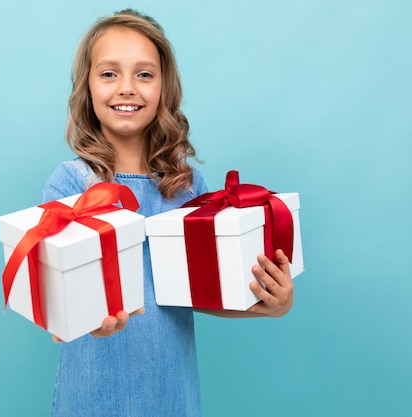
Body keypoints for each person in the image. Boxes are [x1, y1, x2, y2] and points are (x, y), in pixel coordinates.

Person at [41, 9, 294, 416]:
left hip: (170, 395)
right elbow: (55, 300)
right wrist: (81, 320)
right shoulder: (71, 185)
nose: (127, 88)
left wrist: (265, 302)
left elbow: (201, 293)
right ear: (87, 87)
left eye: (144, 74)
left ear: (164, 86)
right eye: (109, 74)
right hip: (91, 394)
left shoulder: (187, 188)